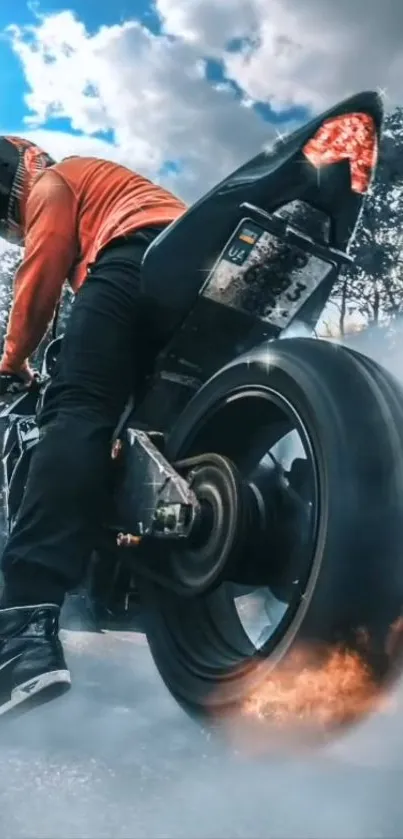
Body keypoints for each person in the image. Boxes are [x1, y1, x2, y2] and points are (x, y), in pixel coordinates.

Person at [0, 136, 187, 717]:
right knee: (142, 439)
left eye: (8, 224)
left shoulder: (56, 179)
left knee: (76, 409)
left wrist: (13, 362)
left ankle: (20, 632)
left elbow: (42, 272)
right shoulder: (111, 183)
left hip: (134, 256)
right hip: (194, 271)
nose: (13, 230)